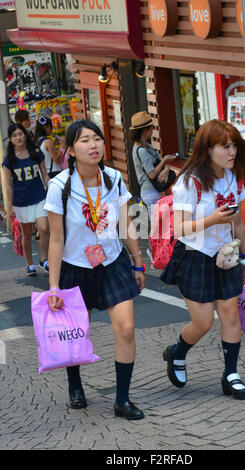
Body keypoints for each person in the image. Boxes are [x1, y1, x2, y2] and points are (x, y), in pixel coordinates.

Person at [44, 119, 145, 420]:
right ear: (71, 150)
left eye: (97, 139)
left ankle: (122, 400)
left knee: (126, 329)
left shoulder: (114, 179)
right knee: (76, 333)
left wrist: (138, 261)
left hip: (112, 263)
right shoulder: (59, 186)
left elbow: (126, 224)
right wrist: (53, 286)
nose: (94, 145)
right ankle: (75, 384)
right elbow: (56, 238)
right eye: (85, 140)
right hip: (75, 267)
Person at [160, 119, 245, 400]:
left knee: (230, 312)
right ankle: (177, 352)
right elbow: (179, 228)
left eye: (234, 145)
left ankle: (231, 374)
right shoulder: (190, 182)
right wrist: (212, 219)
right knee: (202, 322)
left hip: (227, 255)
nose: (232, 152)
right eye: (225, 147)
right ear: (207, 149)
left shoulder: (232, 176)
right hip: (195, 256)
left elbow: (236, 222)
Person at [2, 123, 50, 276]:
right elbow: (8, 184)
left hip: (39, 197)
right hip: (21, 202)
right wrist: (10, 206)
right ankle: (30, 264)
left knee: (44, 228)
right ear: (10, 139)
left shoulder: (36, 153)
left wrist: (53, 192)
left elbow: (45, 175)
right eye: (14, 135)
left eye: (20, 134)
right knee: (27, 234)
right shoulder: (9, 160)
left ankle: (44, 259)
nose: (18, 137)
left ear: (25, 135)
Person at [130, 111, 177, 221]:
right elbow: (151, 174)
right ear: (146, 130)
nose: (153, 130)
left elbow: (159, 160)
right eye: (151, 128)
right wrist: (165, 161)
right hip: (151, 192)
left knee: (165, 226)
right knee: (159, 227)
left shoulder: (147, 146)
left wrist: (166, 168)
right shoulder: (141, 151)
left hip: (158, 190)